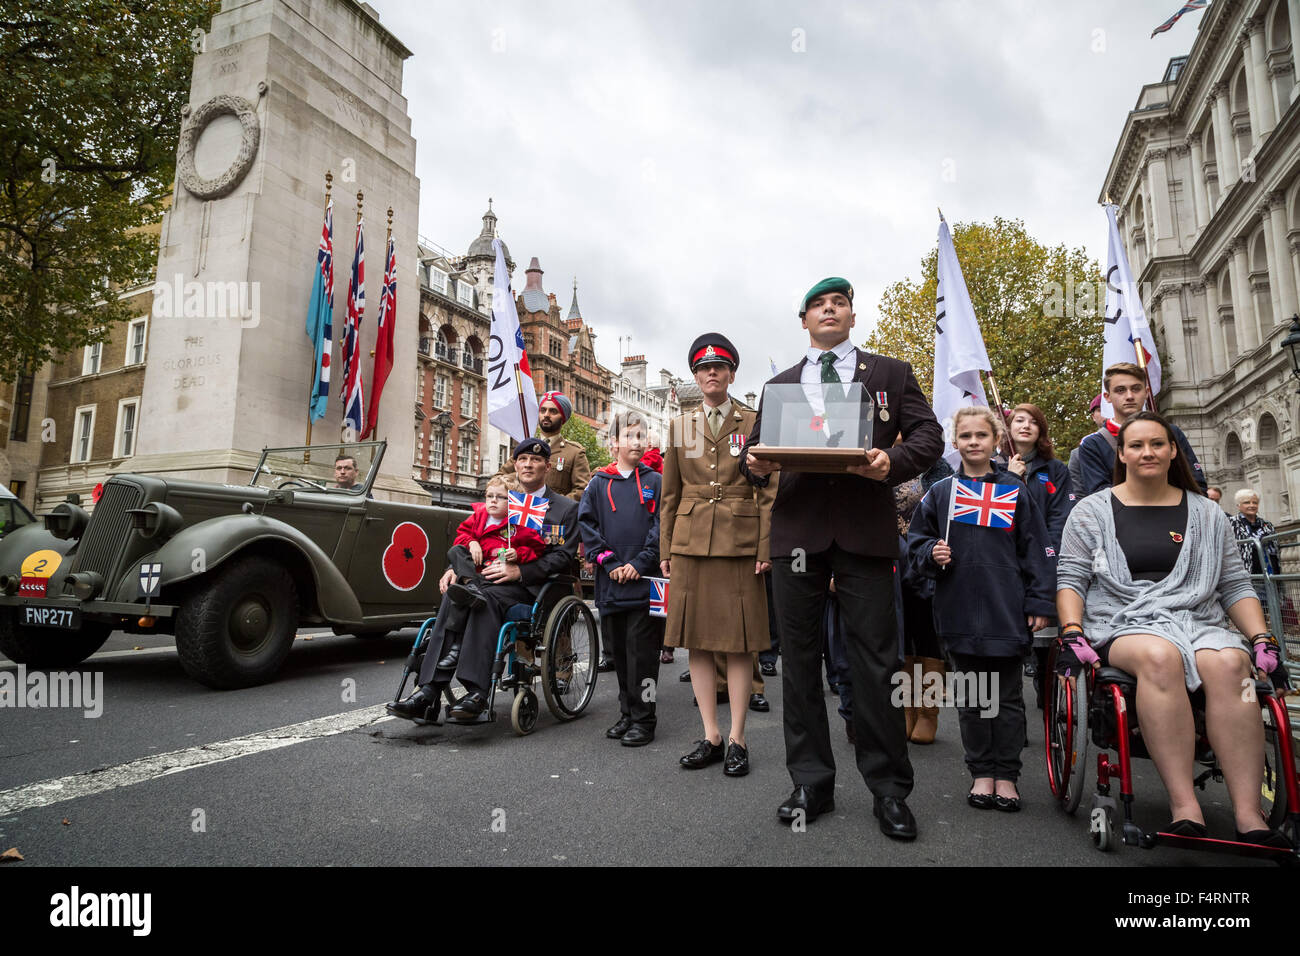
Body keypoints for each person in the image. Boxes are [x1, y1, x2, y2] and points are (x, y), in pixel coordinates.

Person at [743, 276, 943, 840]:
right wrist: (753, 465)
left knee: (876, 664)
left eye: (839, 304)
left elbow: (929, 437)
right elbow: (754, 455)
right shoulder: (779, 384)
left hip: (864, 535)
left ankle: (889, 790)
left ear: (852, 317)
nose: (829, 311)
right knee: (801, 664)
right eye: (818, 306)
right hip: (798, 538)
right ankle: (811, 782)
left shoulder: (890, 374)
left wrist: (892, 459)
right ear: (803, 320)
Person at [1055, 411, 1289, 847]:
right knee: (1160, 656)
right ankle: (1185, 806)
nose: (1148, 452)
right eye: (1137, 445)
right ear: (1121, 454)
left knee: (1234, 666)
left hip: (1198, 620)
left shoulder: (1207, 513)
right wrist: (1072, 631)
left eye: (1158, 444)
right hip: (1122, 621)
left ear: (1172, 450)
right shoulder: (1090, 512)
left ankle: (1248, 812)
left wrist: (1261, 639)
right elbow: (1071, 579)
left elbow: (1234, 585)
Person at [906, 406, 1054, 811]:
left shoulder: (1015, 490)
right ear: (956, 443)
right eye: (966, 436)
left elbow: (1036, 550)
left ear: (996, 441)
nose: (973, 442)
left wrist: (1041, 601)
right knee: (972, 699)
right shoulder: (941, 493)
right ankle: (981, 773)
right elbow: (916, 542)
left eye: (981, 436)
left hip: (1005, 609)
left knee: (1006, 698)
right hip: (957, 610)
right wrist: (929, 552)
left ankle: (1006, 775)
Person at [386, 438, 580, 723]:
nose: (528, 464)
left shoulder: (564, 508)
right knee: (457, 594)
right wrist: (456, 567)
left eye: (536, 460)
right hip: (484, 578)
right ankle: (427, 692)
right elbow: (471, 537)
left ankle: (477, 692)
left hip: (530, 588)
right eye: (523, 459)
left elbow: (563, 557)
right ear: (515, 464)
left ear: (547, 466)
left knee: (483, 601)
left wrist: (521, 572)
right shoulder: (498, 498)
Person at [660, 333, 773, 777]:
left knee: (741, 643)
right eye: (704, 368)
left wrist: (766, 545)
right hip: (690, 542)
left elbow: (769, 489)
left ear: (730, 374)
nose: (712, 373)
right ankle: (710, 734)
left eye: (720, 368)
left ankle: (737, 738)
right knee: (698, 643)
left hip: (740, 541)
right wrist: (667, 548)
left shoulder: (752, 422)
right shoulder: (680, 426)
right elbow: (670, 493)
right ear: (695, 375)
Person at [579, 411, 662, 747]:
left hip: (645, 583)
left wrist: (642, 562)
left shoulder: (656, 481)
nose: (637, 442)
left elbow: (661, 526)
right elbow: (587, 526)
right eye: (630, 436)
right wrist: (609, 561)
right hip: (611, 584)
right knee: (620, 656)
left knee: (644, 655)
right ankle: (627, 712)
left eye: (642, 436)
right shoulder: (598, 484)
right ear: (613, 443)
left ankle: (645, 719)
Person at [1005, 402, 1075, 705]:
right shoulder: (993, 468)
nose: (1025, 425)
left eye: (1033, 421)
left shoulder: (1056, 470)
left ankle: (1047, 700)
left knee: (1045, 637)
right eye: (1019, 420)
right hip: (1006, 564)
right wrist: (1009, 477)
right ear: (1007, 429)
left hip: (1044, 562)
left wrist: (1050, 554)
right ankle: (1012, 714)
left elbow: (1061, 517)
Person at [1077, 363, 1206, 496]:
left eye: (1136, 389)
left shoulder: (1171, 432)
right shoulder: (1092, 444)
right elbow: (1100, 498)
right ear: (1107, 397)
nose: (1129, 396)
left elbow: (1196, 485)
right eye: (1120, 390)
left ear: (1146, 392)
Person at [442, 476, 546, 615]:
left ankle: (473, 593)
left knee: (481, 595)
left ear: (513, 502)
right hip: (475, 572)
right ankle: (471, 586)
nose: (493, 500)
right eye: (489, 496)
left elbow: (536, 548)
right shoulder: (478, 517)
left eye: (500, 497)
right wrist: (471, 542)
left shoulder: (520, 523)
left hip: (497, 573)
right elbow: (461, 535)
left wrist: (517, 554)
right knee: (456, 550)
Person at [498, 391, 591, 501]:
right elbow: (498, 479)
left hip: (553, 516)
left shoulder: (574, 453)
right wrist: (521, 476)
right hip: (521, 511)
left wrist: (556, 506)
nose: (546, 414)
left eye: (553, 411)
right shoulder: (525, 447)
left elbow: (582, 490)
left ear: (563, 417)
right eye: (543, 410)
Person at [1229, 489, 1279, 577]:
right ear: (1238, 505)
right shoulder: (1231, 523)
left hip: (1271, 573)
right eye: (1247, 502)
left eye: (1255, 503)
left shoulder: (1267, 524)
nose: (1251, 505)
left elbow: (1276, 547)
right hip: (1247, 575)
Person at [1067, 394, 1103, 495]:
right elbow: (1077, 493)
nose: (1106, 414)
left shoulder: (1131, 447)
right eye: (1100, 410)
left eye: (1109, 408)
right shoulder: (1077, 454)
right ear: (1093, 417)